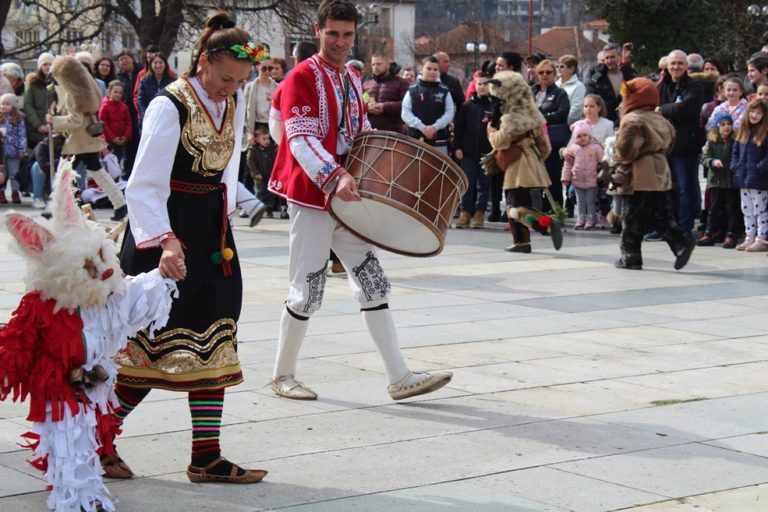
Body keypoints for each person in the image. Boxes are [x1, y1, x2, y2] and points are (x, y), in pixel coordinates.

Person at [267, 0, 452, 402]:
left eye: (347, 34)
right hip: (313, 197)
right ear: (317, 31)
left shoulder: (352, 78)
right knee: (308, 290)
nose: (340, 41)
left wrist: (380, 169)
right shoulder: (301, 76)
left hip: (350, 196)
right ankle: (282, 375)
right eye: (332, 33)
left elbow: (362, 130)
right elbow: (299, 139)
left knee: (374, 283)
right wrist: (334, 176)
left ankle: (399, 376)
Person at [112, 11, 268, 484]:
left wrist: (242, 200)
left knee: (216, 337)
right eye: (224, 78)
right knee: (149, 347)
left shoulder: (233, 100)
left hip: (212, 237)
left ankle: (207, 457)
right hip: (165, 237)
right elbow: (142, 185)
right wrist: (166, 243)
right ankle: (96, 439)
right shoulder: (169, 105)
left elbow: (225, 167)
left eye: (239, 81)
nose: (230, 88)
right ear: (203, 62)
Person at [612, 77, 695, 270]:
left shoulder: (632, 120)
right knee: (660, 213)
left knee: (631, 215)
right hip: (660, 169)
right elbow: (671, 143)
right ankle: (681, 243)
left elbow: (626, 150)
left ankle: (630, 256)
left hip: (639, 173)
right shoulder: (660, 118)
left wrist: (616, 159)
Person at [484, 70, 563, 253]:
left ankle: (548, 225)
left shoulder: (511, 118)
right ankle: (521, 242)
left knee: (516, 208)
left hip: (517, 165)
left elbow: (500, 142)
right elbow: (545, 146)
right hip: (531, 161)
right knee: (516, 205)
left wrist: (490, 132)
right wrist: (536, 159)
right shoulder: (532, 113)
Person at [47, 56, 128, 221]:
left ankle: (56, 207)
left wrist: (54, 121)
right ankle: (119, 203)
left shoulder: (72, 94)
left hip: (78, 141)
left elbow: (74, 120)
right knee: (97, 172)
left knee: (64, 173)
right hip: (89, 138)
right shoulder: (89, 88)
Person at [657, 49, 706, 234]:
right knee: (666, 188)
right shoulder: (663, 85)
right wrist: (671, 109)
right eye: (673, 63)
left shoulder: (695, 86)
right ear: (667, 66)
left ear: (686, 66)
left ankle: (684, 227)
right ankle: (668, 225)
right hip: (664, 146)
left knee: (685, 188)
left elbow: (686, 109)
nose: (676, 67)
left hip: (685, 146)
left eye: (680, 63)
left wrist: (662, 110)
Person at [453, 72, 496, 229]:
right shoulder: (467, 106)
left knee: (484, 185)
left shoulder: (494, 106)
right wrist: (457, 146)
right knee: (467, 183)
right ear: (475, 85)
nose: (482, 87)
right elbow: (459, 127)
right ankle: (465, 213)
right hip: (467, 152)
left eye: (485, 84)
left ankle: (479, 213)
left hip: (487, 153)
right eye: (479, 84)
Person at [532, 58, 570, 208]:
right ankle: (536, 208)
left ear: (554, 74)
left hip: (551, 141)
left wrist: (540, 118)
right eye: (541, 72)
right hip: (532, 140)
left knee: (552, 176)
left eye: (548, 72)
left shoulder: (560, 93)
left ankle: (555, 208)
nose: (545, 75)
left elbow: (562, 113)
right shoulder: (531, 91)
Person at [698, 113, 740, 248]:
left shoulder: (735, 141)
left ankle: (731, 234)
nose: (727, 127)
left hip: (730, 181)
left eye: (729, 124)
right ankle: (709, 233)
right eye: (723, 125)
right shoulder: (712, 141)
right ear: (717, 127)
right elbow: (704, 158)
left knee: (732, 208)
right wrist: (712, 161)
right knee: (714, 208)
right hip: (716, 180)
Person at [732, 100, 768, 251]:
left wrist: (760, 167)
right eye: (752, 112)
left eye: (759, 113)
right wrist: (735, 166)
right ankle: (749, 237)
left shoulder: (764, 133)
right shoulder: (743, 131)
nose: (754, 115)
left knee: (760, 210)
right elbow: (735, 152)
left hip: (758, 179)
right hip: (743, 177)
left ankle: (762, 239)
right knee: (747, 210)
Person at [401, 55, 455, 154]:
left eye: (435, 69)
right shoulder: (412, 90)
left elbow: (450, 112)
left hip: (439, 142)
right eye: (429, 68)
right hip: (415, 140)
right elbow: (405, 112)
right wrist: (422, 127)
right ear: (422, 69)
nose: (432, 72)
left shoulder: (445, 91)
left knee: (438, 169)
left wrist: (435, 127)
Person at [561, 119, 603, 230]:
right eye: (579, 136)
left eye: (585, 135)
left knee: (590, 201)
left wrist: (602, 174)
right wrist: (565, 177)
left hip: (592, 180)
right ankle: (581, 219)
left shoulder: (596, 147)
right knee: (580, 202)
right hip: (577, 180)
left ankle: (590, 219)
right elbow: (567, 164)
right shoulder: (574, 149)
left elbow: (603, 162)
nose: (582, 138)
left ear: (590, 135)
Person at [585, 43, 637, 123]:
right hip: (603, 122)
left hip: (626, 120)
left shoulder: (629, 73)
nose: (609, 61)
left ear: (620, 56)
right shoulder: (597, 76)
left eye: (612, 57)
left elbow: (635, 87)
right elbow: (590, 98)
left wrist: (626, 67)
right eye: (607, 58)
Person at [363, 52, 409, 132]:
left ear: (388, 65)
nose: (375, 67)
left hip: (393, 134)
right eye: (373, 64)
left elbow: (407, 105)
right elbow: (358, 105)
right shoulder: (366, 84)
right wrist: (367, 107)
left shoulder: (401, 83)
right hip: (370, 133)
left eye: (379, 64)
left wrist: (384, 107)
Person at [116, 50, 142, 177]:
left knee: (140, 144)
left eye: (126, 58)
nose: (124, 61)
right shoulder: (119, 77)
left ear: (132, 59)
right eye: (121, 60)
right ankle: (127, 175)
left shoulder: (141, 72)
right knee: (128, 148)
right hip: (125, 116)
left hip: (139, 114)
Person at [23, 52, 54, 150]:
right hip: (35, 131)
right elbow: (28, 105)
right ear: (40, 66)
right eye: (45, 64)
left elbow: (60, 106)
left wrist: (53, 124)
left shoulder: (58, 83)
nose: (47, 67)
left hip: (53, 129)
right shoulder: (33, 83)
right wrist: (38, 125)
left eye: (50, 64)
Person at [0, 94, 26, 204]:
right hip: (1, 153)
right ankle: (1, 193)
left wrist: (21, 150)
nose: (4, 106)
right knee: (2, 173)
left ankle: (15, 192)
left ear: (14, 106)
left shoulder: (18, 120)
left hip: (14, 152)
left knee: (14, 173)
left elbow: (22, 136)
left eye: (7, 104)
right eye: (2, 104)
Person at [98, 80, 132, 164]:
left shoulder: (124, 107)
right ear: (109, 92)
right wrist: (112, 138)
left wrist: (126, 136)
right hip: (108, 142)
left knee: (117, 163)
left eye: (120, 93)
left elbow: (128, 123)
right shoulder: (104, 106)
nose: (118, 94)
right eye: (115, 92)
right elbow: (103, 124)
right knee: (107, 164)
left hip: (121, 140)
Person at [248, 125, 278, 216]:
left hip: (269, 175)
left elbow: (275, 160)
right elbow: (251, 162)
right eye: (263, 139)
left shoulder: (271, 149)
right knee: (259, 192)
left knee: (269, 192)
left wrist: (274, 173)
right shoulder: (253, 150)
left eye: (268, 138)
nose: (266, 141)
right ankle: (257, 209)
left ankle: (269, 208)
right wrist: (255, 173)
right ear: (256, 139)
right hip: (259, 176)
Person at [137, 52, 174, 122]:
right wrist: (145, 116)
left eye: (160, 62)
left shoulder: (172, 82)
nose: (158, 65)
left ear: (165, 64)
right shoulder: (144, 81)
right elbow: (140, 101)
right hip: (148, 119)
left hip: (166, 119)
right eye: (155, 63)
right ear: (151, 65)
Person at [556, 54, 586, 125]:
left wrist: (561, 123)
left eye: (562, 66)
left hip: (569, 127)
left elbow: (576, 110)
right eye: (557, 66)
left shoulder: (579, 86)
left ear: (572, 69)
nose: (559, 69)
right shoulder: (555, 85)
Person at [433, 51, 464, 118]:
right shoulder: (426, 81)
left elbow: (461, 104)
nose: (448, 65)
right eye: (445, 62)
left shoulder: (453, 82)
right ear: (436, 63)